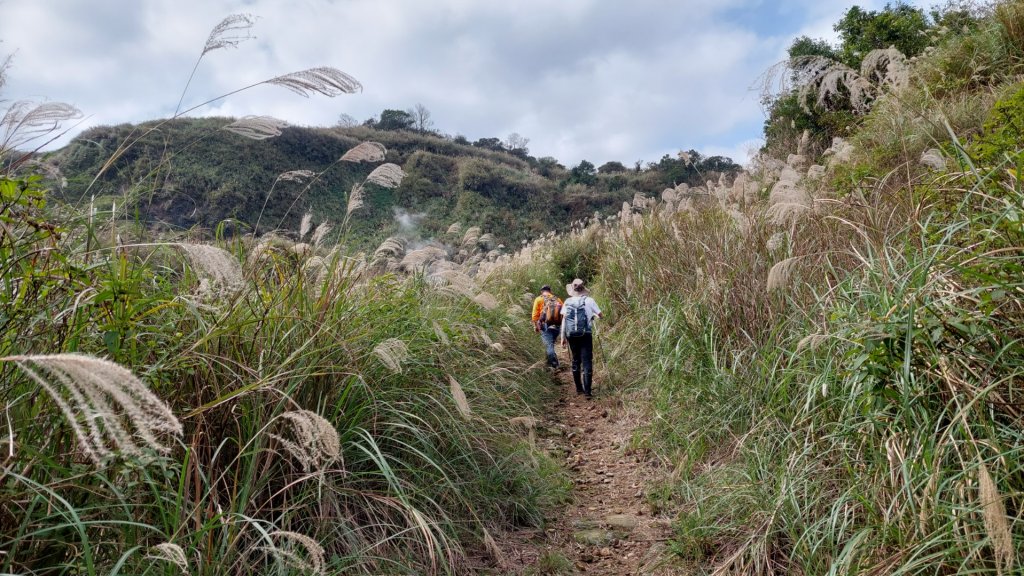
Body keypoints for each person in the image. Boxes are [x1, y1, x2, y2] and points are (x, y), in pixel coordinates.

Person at [560, 278, 603, 398]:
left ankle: (579, 389)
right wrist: (593, 315)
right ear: (583, 289)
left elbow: (564, 320)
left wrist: (563, 337)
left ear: (573, 289)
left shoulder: (567, 301)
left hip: (571, 335)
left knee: (575, 360)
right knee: (587, 361)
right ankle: (588, 392)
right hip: (586, 334)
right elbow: (601, 315)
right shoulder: (589, 300)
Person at [531, 285, 563, 369]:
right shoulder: (557, 299)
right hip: (557, 326)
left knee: (548, 346)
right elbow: (563, 313)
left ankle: (554, 366)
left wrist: (536, 326)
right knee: (550, 344)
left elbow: (534, 316)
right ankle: (551, 364)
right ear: (550, 291)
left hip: (545, 326)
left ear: (542, 292)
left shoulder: (538, 299)